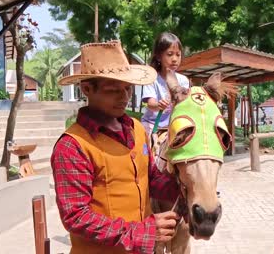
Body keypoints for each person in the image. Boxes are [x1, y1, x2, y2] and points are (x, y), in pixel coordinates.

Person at [52, 40, 181, 254]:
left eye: (128, 89)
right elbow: (75, 217)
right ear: (87, 89)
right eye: (113, 90)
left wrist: (185, 186)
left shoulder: (137, 129)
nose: (124, 97)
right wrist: (145, 232)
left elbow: (150, 177)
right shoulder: (73, 146)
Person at [141, 32, 190, 137]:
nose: (174, 59)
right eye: (169, 54)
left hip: (175, 125)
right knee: (147, 147)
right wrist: (159, 105)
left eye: (178, 54)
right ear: (159, 57)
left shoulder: (183, 80)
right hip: (152, 124)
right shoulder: (152, 78)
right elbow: (150, 104)